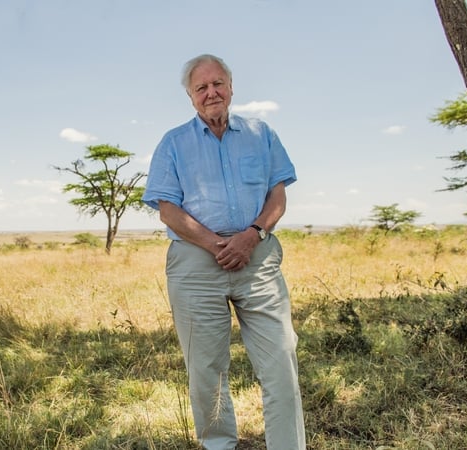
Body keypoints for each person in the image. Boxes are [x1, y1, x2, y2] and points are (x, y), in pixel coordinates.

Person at [142, 54, 306, 450]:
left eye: (218, 84)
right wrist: (218, 245)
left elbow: (277, 195)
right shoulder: (173, 143)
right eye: (201, 87)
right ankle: (219, 445)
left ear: (231, 88)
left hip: (258, 257)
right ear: (190, 96)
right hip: (197, 263)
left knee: (281, 359)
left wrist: (251, 235)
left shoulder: (260, 133)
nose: (211, 92)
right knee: (206, 369)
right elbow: (167, 209)